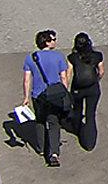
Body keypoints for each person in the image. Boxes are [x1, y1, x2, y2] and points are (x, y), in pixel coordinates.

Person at [22, 29, 72, 166]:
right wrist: (65, 92)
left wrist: (26, 97)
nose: (55, 41)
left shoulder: (31, 58)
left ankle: (41, 148)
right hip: (55, 94)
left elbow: (27, 79)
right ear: (47, 42)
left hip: (38, 95)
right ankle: (54, 152)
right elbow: (63, 76)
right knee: (54, 122)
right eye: (53, 39)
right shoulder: (59, 57)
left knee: (40, 121)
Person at [68, 32, 104, 151]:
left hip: (78, 89)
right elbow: (101, 71)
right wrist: (96, 80)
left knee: (77, 110)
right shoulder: (97, 56)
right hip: (93, 88)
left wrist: (67, 88)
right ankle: (89, 142)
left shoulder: (72, 58)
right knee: (90, 114)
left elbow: (68, 75)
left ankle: (77, 128)